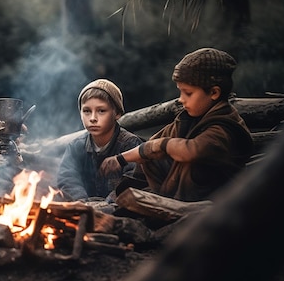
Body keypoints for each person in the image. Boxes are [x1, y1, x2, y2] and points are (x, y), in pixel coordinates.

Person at [100, 48, 254, 202]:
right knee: (149, 158)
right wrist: (120, 159)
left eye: (188, 93)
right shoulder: (188, 119)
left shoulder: (225, 128)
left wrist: (161, 145)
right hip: (180, 195)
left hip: (216, 203)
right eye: (180, 92)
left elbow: (190, 151)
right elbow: (150, 146)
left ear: (214, 93)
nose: (181, 99)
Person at [55, 79, 143, 204]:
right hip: (84, 207)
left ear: (117, 113)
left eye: (101, 111)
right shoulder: (76, 146)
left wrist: (106, 204)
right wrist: (81, 201)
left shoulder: (130, 144)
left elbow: (133, 181)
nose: (93, 118)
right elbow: (67, 177)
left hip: (118, 209)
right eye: (86, 111)